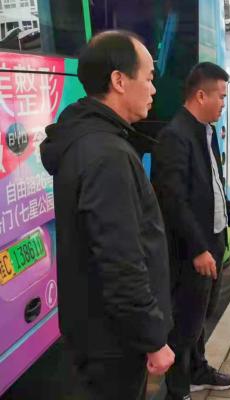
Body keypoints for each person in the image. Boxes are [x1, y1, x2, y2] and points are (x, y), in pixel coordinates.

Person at [40, 30, 174, 400]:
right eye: (148, 77)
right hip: (114, 344)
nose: (153, 89)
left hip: (96, 334)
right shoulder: (107, 154)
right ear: (119, 80)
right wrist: (152, 338)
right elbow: (120, 260)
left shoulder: (86, 140)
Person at [152, 62, 230, 399]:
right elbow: (172, 200)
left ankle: (198, 370)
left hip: (212, 239)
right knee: (184, 323)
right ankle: (178, 390)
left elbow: (208, 184)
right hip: (192, 250)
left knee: (201, 314)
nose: (223, 103)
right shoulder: (174, 137)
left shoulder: (206, 131)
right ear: (200, 96)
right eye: (220, 96)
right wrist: (197, 249)